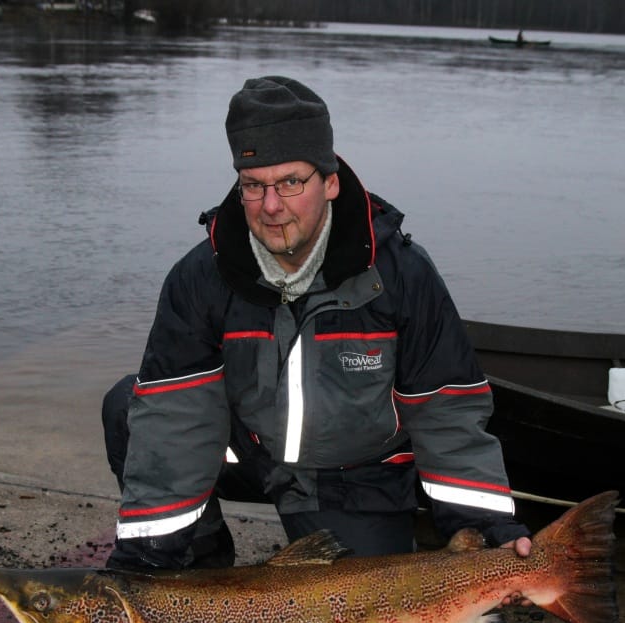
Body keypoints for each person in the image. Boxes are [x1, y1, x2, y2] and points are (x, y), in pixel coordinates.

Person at [102, 75, 531, 570]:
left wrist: (487, 529)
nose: (270, 206)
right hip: (253, 453)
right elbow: (176, 419)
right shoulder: (201, 278)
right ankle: (199, 562)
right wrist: (144, 560)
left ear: (330, 182)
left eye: (290, 182)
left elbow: (446, 416)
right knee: (130, 408)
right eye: (253, 185)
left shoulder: (401, 275)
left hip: (355, 477)